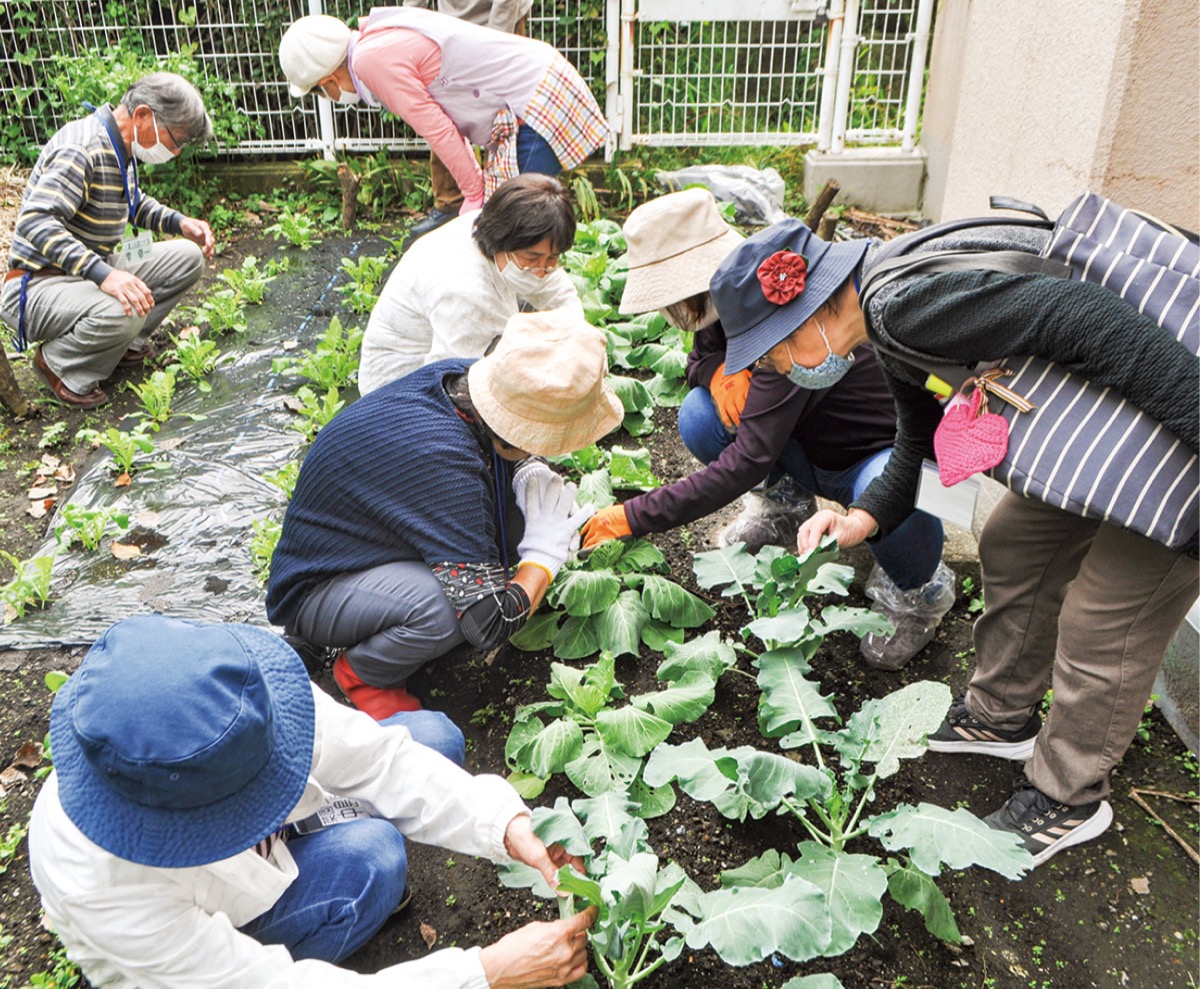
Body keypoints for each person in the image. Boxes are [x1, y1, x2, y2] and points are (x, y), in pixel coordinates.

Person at [715, 216, 1199, 866]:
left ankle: (1069, 793)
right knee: (1013, 541)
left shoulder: (901, 303)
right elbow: (915, 440)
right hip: (1126, 421)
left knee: (1102, 621)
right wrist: (861, 518)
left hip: (1179, 407)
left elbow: (1083, 317)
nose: (777, 369)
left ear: (804, 319)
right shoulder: (884, 313)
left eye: (772, 355)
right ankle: (1000, 716)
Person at [29, 614, 596, 987]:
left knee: (432, 738)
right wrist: (485, 972)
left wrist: (505, 825)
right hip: (200, 945)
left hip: (263, 850)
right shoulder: (103, 887)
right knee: (371, 861)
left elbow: (378, 759)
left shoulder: (235, 694)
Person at [581, 196, 952, 670]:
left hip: (876, 455)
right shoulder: (730, 302)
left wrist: (631, 516)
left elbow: (747, 460)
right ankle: (787, 510)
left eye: (674, 301)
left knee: (899, 491)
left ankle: (918, 592)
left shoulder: (784, 321)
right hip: (805, 448)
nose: (673, 315)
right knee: (700, 415)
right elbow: (698, 359)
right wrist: (716, 373)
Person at [267, 309, 623, 720]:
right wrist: (542, 559)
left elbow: (500, 456)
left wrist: (528, 470)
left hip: (375, 546)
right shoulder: (448, 467)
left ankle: (392, 624)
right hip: (316, 590)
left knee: (515, 523)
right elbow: (488, 624)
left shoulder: (463, 381)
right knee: (447, 611)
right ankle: (366, 672)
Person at [1, 72, 216, 409]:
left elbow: (133, 203)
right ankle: (61, 365)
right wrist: (106, 276)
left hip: (85, 270)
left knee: (188, 257)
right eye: (176, 139)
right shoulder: (82, 147)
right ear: (143, 115)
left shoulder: (119, 147)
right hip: (36, 286)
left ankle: (122, 345)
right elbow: (36, 221)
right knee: (125, 308)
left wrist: (180, 222)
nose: (175, 151)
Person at [278, 8, 606, 219]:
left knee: (511, 225)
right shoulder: (375, 38)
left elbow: (439, 130)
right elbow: (446, 124)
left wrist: (474, 195)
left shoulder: (370, 61)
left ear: (329, 81)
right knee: (512, 226)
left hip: (536, 102)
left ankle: (530, 307)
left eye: (320, 92)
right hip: (537, 90)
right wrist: (475, 193)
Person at [359, 173, 581, 394]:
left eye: (552, 258)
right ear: (502, 240)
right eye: (532, 258)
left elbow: (561, 296)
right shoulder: (466, 289)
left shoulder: (491, 225)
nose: (542, 271)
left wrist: (578, 341)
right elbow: (452, 382)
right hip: (397, 389)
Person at [400, 0, 533, 241]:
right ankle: (449, 206)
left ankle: (506, 209)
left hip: (501, 17)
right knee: (444, 108)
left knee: (503, 112)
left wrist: (494, 46)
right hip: (450, 27)